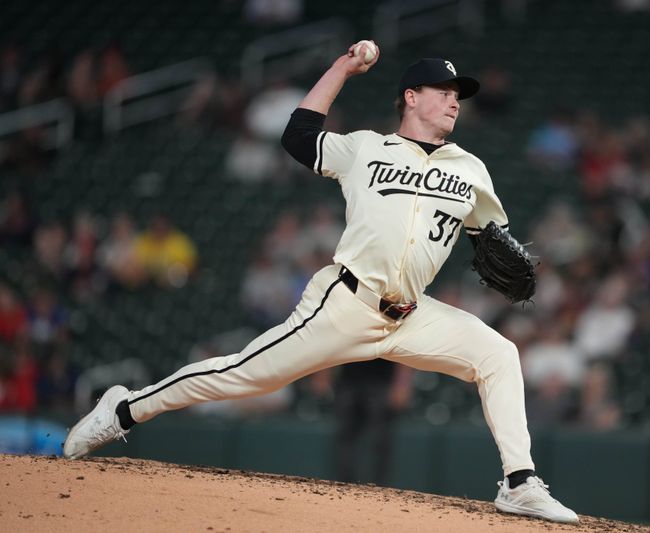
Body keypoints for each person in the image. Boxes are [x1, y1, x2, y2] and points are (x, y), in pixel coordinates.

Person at [63, 41, 579, 524]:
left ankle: (519, 482)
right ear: (411, 98)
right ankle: (125, 409)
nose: (454, 102)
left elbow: (492, 239)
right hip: (345, 304)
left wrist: (502, 249)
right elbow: (298, 135)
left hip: (413, 313)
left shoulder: (471, 169)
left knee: (499, 355)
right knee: (243, 375)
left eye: (458, 96)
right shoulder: (365, 149)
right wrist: (342, 70)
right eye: (444, 93)